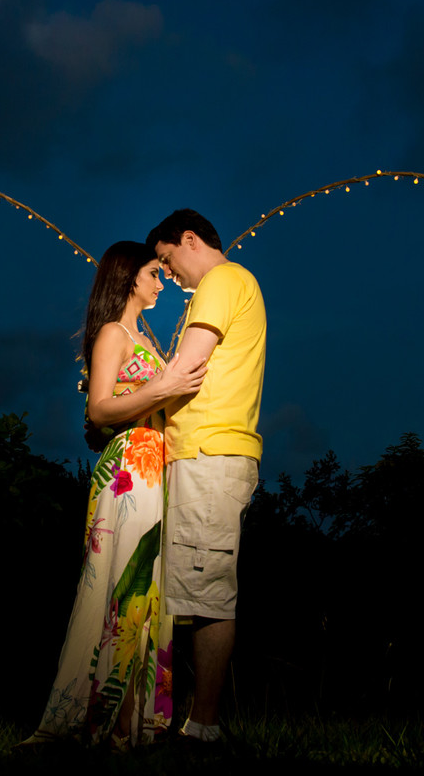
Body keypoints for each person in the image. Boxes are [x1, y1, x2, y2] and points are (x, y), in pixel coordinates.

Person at [22, 241, 207, 750]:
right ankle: (109, 719)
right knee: (122, 584)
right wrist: (166, 386)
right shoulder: (112, 333)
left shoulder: (143, 334)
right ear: (128, 277)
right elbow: (101, 409)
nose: (161, 280)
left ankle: (139, 719)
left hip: (155, 469)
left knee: (148, 589)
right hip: (128, 469)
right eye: (153, 272)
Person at [146, 209, 266, 744]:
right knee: (188, 591)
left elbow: (187, 368)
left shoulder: (222, 279)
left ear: (190, 240)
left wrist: (116, 403)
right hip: (200, 454)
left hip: (210, 454)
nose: (170, 276)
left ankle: (203, 726)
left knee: (207, 592)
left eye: (168, 260)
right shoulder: (230, 285)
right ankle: (180, 718)